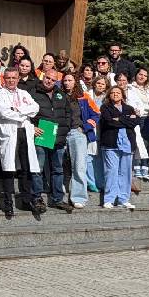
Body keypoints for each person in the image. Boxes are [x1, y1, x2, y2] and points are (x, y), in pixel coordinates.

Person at [0, 68, 44, 217]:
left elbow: (35, 108)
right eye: (8, 78)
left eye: (14, 78)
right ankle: (8, 203)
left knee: (26, 167)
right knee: (9, 168)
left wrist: (18, 109)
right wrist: (23, 114)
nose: (11, 80)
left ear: (18, 78)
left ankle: (27, 200)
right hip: (9, 133)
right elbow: (4, 112)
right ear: (4, 78)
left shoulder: (24, 93)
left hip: (24, 133)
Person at [29, 73, 74, 212]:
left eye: (53, 80)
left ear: (57, 81)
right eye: (48, 78)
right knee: (38, 169)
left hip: (58, 137)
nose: (50, 81)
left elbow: (68, 113)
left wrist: (65, 129)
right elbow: (26, 114)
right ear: (43, 77)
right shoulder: (33, 93)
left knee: (58, 170)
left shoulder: (61, 94)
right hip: (41, 134)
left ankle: (58, 199)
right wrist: (32, 127)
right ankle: (36, 198)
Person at [98, 86, 138, 210]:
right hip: (111, 144)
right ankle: (109, 199)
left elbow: (135, 122)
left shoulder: (129, 108)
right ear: (109, 95)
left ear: (122, 95)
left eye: (118, 92)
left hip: (127, 143)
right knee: (111, 172)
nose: (115, 94)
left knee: (125, 173)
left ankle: (123, 199)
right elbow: (109, 122)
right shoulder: (105, 107)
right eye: (113, 93)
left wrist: (118, 119)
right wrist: (126, 119)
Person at [61, 73, 89, 208]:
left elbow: (96, 114)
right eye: (65, 80)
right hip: (60, 133)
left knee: (79, 166)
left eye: (70, 80)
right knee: (57, 165)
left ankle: (79, 197)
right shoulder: (58, 95)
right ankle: (58, 194)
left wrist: (85, 127)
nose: (67, 83)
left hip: (76, 132)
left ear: (75, 82)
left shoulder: (83, 97)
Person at [127, 68, 149, 180]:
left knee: (145, 142)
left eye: (145, 76)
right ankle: (136, 166)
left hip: (147, 118)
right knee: (136, 142)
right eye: (140, 74)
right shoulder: (129, 87)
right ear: (136, 75)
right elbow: (128, 102)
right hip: (136, 118)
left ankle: (145, 166)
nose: (142, 77)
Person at [83, 76, 110, 192]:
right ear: (94, 84)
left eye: (103, 84)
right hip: (89, 129)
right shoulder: (86, 95)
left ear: (106, 86)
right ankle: (91, 182)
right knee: (88, 156)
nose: (100, 85)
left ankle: (100, 182)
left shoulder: (107, 98)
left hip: (102, 130)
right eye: (98, 83)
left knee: (99, 157)